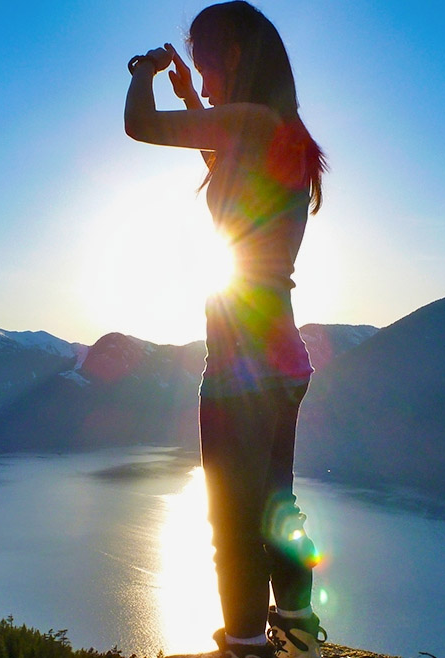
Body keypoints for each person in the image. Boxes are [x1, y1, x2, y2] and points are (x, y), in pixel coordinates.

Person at [124, 3, 327, 658]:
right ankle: (295, 622)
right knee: (275, 502)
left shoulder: (248, 122)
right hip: (284, 356)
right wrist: (187, 89)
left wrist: (144, 73)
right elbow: (224, 156)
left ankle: (244, 644)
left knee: (233, 519)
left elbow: (140, 125)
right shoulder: (282, 132)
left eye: (204, 61)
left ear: (234, 53)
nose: (203, 79)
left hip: (240, 361)